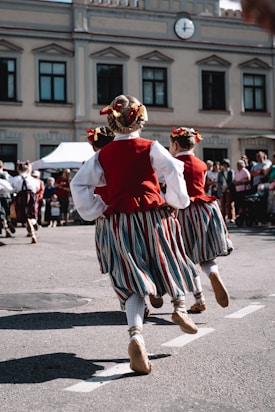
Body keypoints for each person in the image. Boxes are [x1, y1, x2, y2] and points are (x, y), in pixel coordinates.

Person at [71, 94, 201, 375]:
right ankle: (180, 306)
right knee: (169, 260)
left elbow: (78, 184)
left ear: (111, 123)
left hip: (119, 221)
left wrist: (98, 207)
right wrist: (176, 200)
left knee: (133, 279)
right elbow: (175, 171)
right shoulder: (151, 147)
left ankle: (135, 335)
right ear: (141, 118)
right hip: (153, 217)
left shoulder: (102, 154)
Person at [169, 127, 232, 313]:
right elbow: (202, 185)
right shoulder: (201, 164)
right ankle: (213, 273)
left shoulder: (173, 163)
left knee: (186, 256)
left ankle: (199, 298)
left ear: (175, 144)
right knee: (205, 253)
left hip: (183, 210)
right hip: (205, 209)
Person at [12, 161, 40, 243]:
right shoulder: (33, 179)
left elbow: (13, 189)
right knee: (32, 213)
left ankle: (31, 230)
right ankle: (33, 224)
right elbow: (37, 188)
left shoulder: (15, 179)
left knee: (25, 215)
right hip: (31, 196)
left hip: (20, 197)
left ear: (18, 170)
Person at [218, 158, 236, 224]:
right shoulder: (220, 173)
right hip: (222, 189)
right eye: (223, 164)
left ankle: (231, 217)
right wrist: (221, 187)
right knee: (222, 204)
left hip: (229, 189)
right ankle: (223, 218)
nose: (224, 166)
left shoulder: (231, 172)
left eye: (226, 164)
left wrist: (226, 187)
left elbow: (231, 181)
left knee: (229, 204)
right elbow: (219, 182)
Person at [0, 160, 15, 236]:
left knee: (1, 212)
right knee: (7, 211)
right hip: (6, 195)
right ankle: (8, 221)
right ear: (2, 166)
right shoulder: (6, 174)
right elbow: (12, 183)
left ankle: (5, 226)